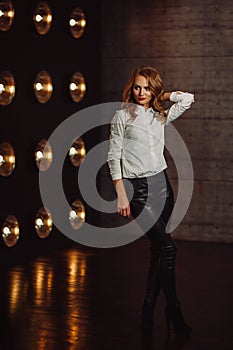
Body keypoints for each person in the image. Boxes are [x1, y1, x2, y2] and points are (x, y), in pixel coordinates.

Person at [107, 65, 195, 334]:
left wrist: (162, 96)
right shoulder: (122, 115)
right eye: (137, 87)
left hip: (162, 186)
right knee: (168, 249)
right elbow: (113, 156)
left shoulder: (159, 115)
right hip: (136, 190)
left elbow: (188, 98)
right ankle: (173, 309)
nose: (141, 92)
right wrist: (121, 194)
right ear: (130, 87)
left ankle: (147, 310)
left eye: (147, 87)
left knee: (159, 250)